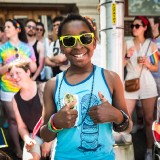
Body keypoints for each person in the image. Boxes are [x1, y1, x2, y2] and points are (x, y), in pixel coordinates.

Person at [40, 14, 132, 160]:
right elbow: (45, 134)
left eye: (85, 38)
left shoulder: (111, 78)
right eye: (69, 40)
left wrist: (117, 115)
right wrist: (55, 123)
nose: (78, 46)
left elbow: (128, 126)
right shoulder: (52, 85)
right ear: (62, 47)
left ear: (94, 43)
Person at [0, 19, 37, 159]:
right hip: (7, 89)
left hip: (24, 88)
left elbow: (33, 68)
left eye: (9, 26)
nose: (6, 29)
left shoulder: (27, 47)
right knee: (12, 119)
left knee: (28, 119)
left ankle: (31, 146)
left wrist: (26, 59)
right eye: (5, 27)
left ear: (17, 29)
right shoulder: (2, 49)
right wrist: (11, 64)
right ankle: (17, 150)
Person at [124, 16, 158, 160]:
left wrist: (148, 64)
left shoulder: (152, 45)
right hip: (131, 80)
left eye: (137, 26)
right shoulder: (126, 43)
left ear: (144, 27)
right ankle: (124, 147)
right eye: (132, 26)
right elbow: (121, 65)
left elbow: (155, 67)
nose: (133, 29)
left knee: (149, 118)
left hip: (147, 81)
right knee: (124, 116)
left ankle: (149, 150)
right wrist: (127, 56)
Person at [8, 60, 52, 160]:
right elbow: (21, 126)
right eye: (11, 75)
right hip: (34, 135)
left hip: (53, 133)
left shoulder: (45, 87)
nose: (14, 77)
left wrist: (48, 141)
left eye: (18, 73)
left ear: (28, 72)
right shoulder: (15, 99)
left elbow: (57, 117)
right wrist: (27, 140)